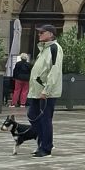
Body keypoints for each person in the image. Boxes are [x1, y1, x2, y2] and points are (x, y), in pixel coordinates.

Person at [25, 25, 61, 158]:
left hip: (46, 92)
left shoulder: (54, 48)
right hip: (36, 91)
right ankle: (43, 144)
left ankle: (46, 148)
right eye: (39, 32)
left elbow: (55, 70)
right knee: (33, 115)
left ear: (50, 34)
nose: (39, 34)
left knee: (45, 119)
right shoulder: (43, 49)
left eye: (42, 32)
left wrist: (46, 90)